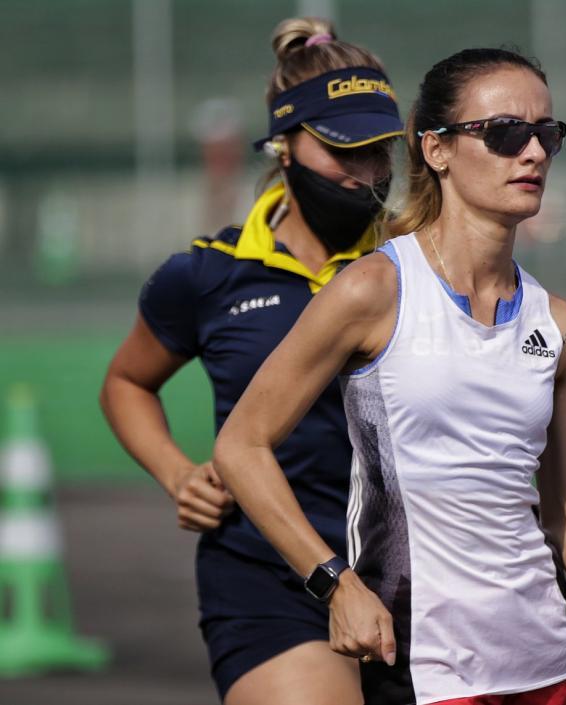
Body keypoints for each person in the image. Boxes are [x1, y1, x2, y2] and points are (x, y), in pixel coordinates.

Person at [211, 47, 566, 705]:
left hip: (545, 660)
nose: (532, 153)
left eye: (545, 133)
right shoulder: (374, 290)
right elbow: (242, 446)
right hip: (422, 663)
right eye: (503, 134)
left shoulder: (564, 327)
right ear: (435, 149)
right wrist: (336, 583)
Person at [99, 18, 402, 705]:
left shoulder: (416, 263)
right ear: (284, 146)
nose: (366, 174)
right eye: (342, 150)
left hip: (419, 573)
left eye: (380, 152)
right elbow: (126, 382)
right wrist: (178, 473)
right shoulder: (208, 275)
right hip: (268, 579)